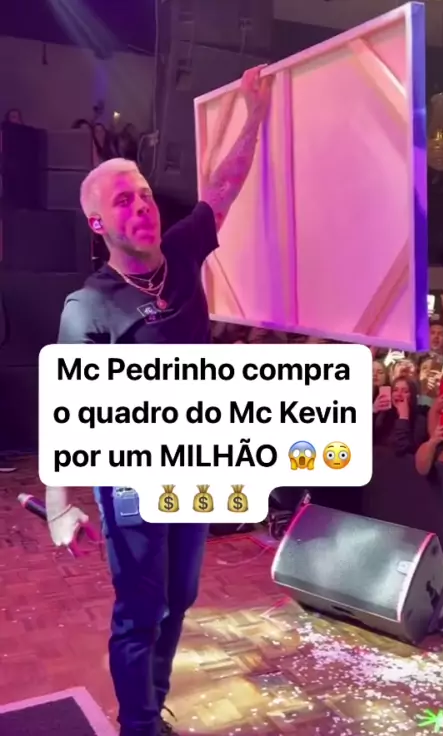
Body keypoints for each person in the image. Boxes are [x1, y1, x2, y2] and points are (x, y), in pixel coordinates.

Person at [45, 66, 272, 736]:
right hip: (132, 482)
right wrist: (60, 503)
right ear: (97, 223)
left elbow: (224, 186)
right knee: (140, 612)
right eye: (123, 201)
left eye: (144, 194)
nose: (141, 205)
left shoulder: (182, 249)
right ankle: (138, 726)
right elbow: (66, 410)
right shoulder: (87, 307)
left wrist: (255, 114)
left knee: (181, 597)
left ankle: (153, 707)